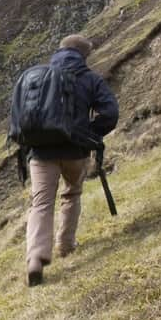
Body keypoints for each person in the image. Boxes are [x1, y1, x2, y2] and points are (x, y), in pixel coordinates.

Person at [26, 34, 119, 286]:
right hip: (75, 151)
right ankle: (65, 245)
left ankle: (36, 257)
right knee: (71, 194)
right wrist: (90, 132)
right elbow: (110, 113)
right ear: (83, 55)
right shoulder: (90, 79)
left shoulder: (38, 76)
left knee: (41, 203)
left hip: (41, 152)